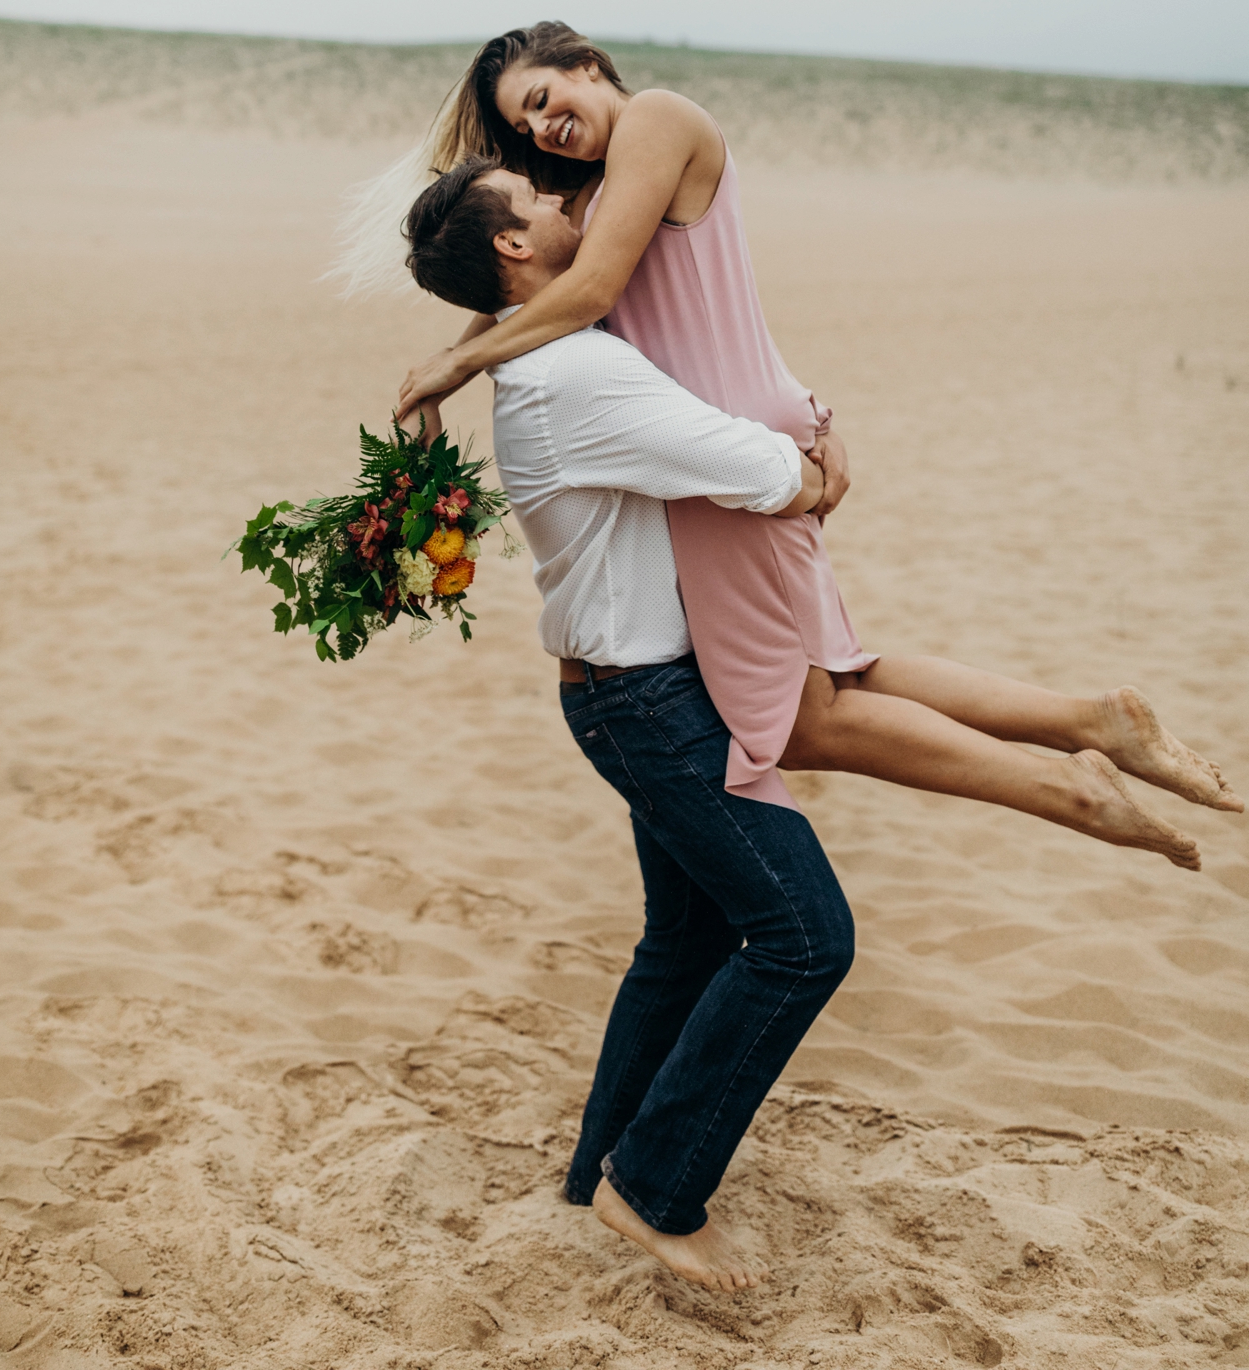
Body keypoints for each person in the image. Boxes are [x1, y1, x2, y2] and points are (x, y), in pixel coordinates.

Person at [395, 67, 1241, 862]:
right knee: (833, 673)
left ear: (584, 62)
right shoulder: (599, 191)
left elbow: (582, 294)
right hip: (730, 429)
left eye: (543, 97)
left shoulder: (649, 124)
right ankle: (1092, 723)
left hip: (722, 452)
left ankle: (1068, 782)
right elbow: (530, 288)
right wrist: (458, 350)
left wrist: (456, 366)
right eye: (523, 124)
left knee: (805, 719)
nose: (542, 128)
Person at [404, 153, 854, 1292]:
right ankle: (651, 1186)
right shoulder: (574, 374)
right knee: (804, 939)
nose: (570, 203)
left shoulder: (554, 363)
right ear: (512, 248)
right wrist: (810, 460)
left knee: (689, 939)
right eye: (543, 200)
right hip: (644, 704)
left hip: (628, 693)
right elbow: (760, 472)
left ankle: (596, 1169)